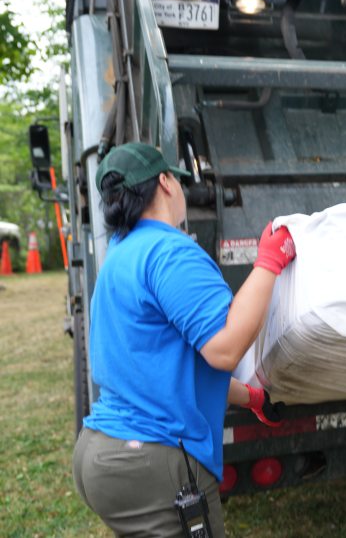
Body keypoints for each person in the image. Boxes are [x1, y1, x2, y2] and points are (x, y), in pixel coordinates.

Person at [72, 143, 296, 537]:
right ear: (165, 182)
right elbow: (224, 349)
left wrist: (253, 398)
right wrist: (269, 262)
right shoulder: (170, 252)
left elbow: (169, 370)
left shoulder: (121, 255)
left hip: (100, 453)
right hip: (156, 462)